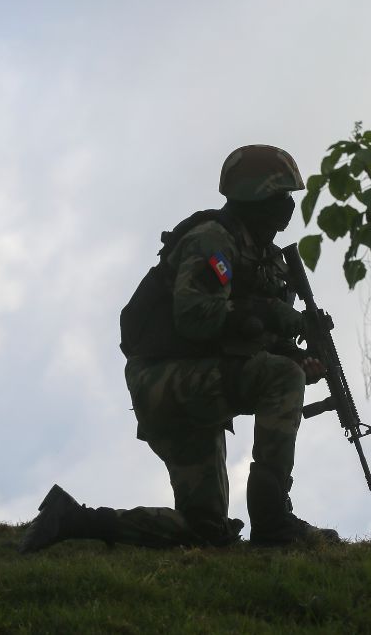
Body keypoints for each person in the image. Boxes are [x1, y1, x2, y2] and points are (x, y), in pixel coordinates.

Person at [19, 144, 340, 552]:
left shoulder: (266, 260)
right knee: (282, 378)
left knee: (204, 532)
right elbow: (195, 316)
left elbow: (256, 341)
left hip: (193, 385)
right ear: (255, 197)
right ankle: (274, 520)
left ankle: (73, 519)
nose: (286, 209)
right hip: (163, 379)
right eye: (280, 197)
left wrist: (297, 356)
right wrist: (270, 318)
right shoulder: (212, 241)